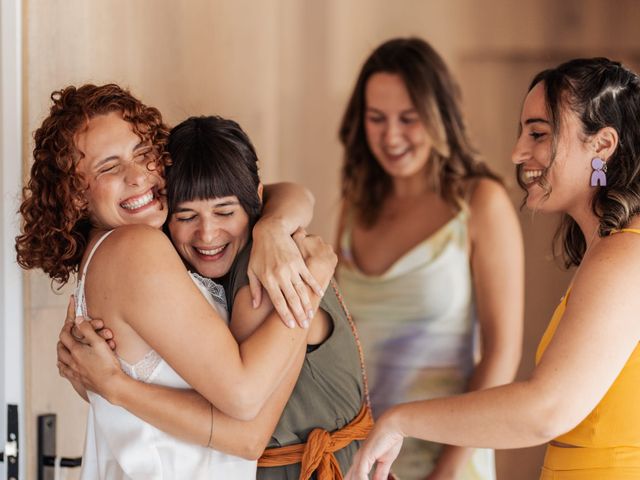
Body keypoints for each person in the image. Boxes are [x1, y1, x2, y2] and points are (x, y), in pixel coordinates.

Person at [16, 83, 336, 479]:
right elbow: (245, 402)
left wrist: (272, 228)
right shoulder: (135, 248)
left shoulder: (114, 250)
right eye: (109, 167)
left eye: (143, 154)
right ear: (75, 194)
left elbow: (288, 193)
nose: (137, 177)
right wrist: (311, 282)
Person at [346, 57, 640, 480]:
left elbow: (545, 410)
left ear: (603, 145)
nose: (518, 152)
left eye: (538, 133)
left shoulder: (624, 256)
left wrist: (401, 420)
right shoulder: (612, 251)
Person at [336, 37, 524, 479]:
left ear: (440, 116)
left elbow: (500, 356)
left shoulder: (481, 202)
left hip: (451, 457)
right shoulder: (355, 205)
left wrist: (444, 473)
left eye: (409, 119)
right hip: (363, 461)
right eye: (376, 118)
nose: (391, 136)